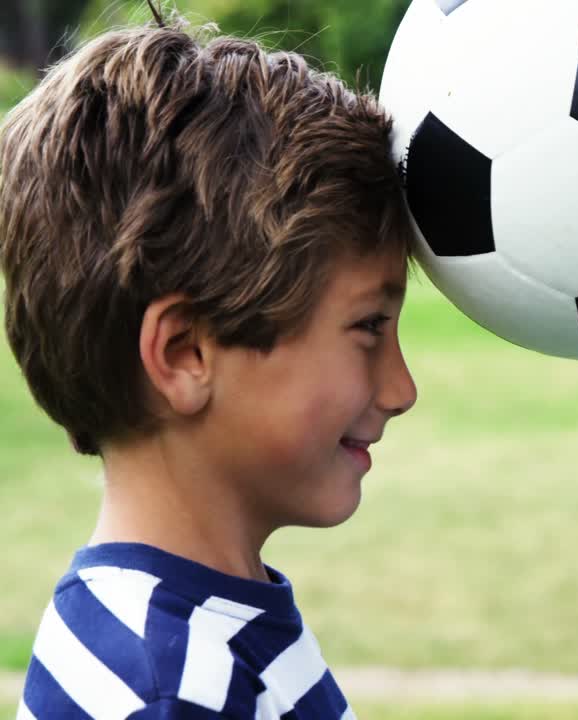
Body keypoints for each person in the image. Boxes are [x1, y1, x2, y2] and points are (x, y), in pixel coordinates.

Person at [0, 4, 417, 717]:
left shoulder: (195, 628)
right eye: (369, 325)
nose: (402, 389)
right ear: (185, 353)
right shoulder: (171, 689)